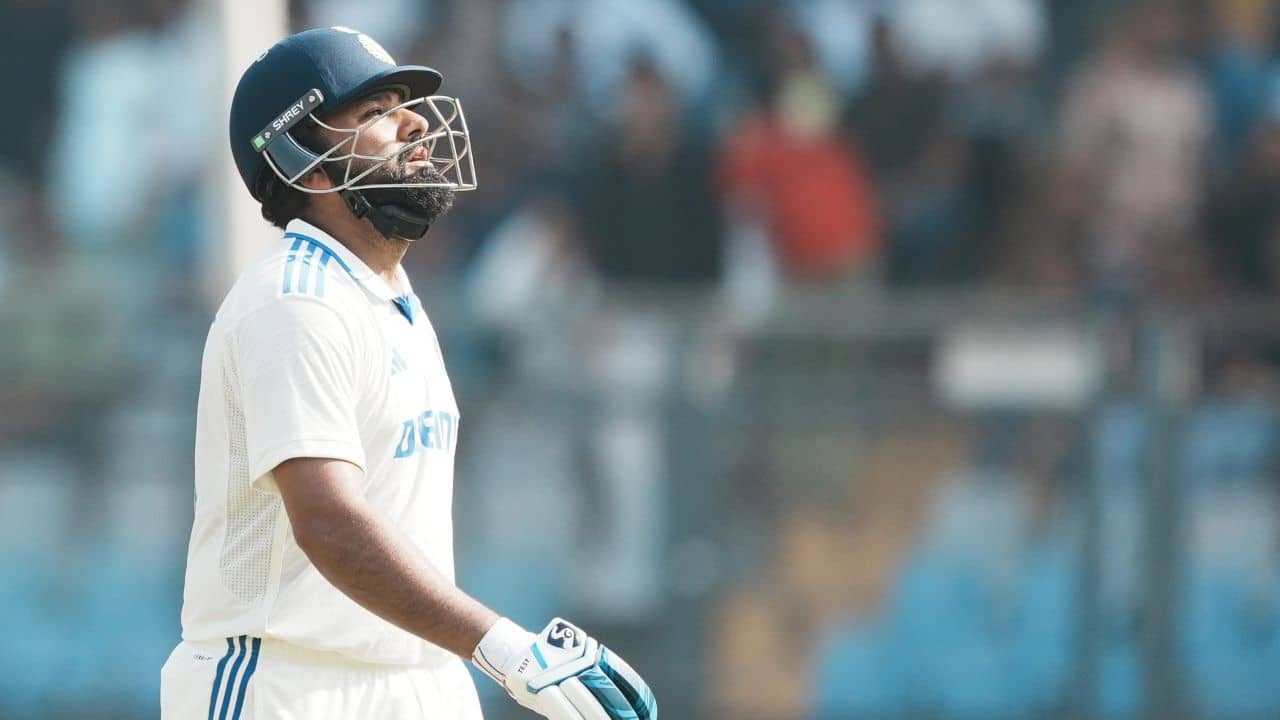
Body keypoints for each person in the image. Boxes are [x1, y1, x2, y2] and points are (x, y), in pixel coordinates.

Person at [159, 27, 656, 720]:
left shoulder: (386, 293)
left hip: (414, 676)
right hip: (287, 683)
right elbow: (329, 521)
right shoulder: (294, 300)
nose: (416, 123)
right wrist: (506, 649)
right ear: (307, 165)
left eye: (404, 105)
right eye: (375, 112)